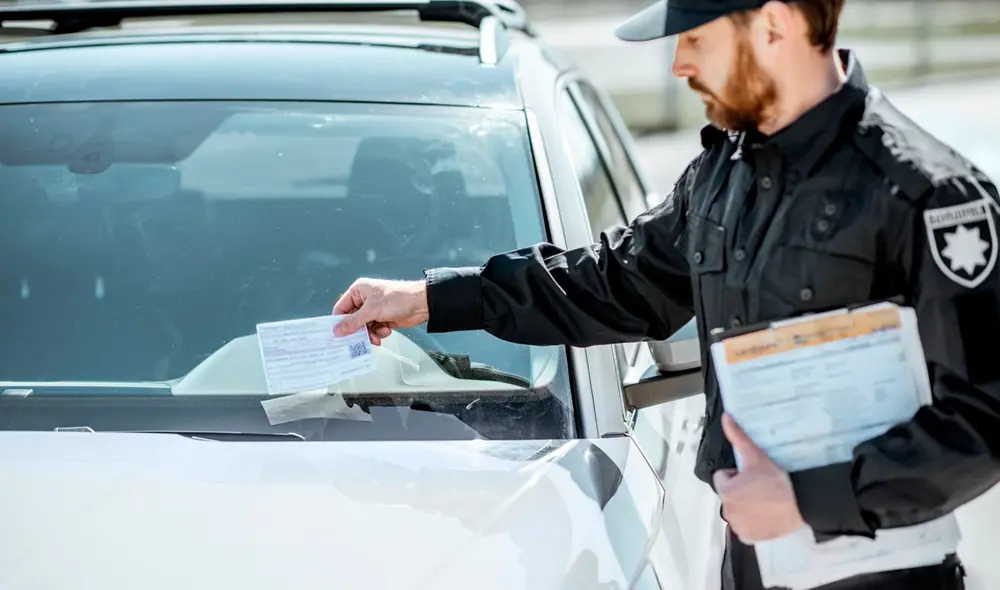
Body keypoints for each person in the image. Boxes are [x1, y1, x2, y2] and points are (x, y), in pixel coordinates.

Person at [332, 0, 1000, 588]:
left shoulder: (928, 196)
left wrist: (806, 500)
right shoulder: (720, 174)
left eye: (695, 37)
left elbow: (985, 419)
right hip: (749, 565)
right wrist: (431, 299)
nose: (679, 64)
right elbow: (610, 281)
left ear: (772, 24)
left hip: (881, 576)